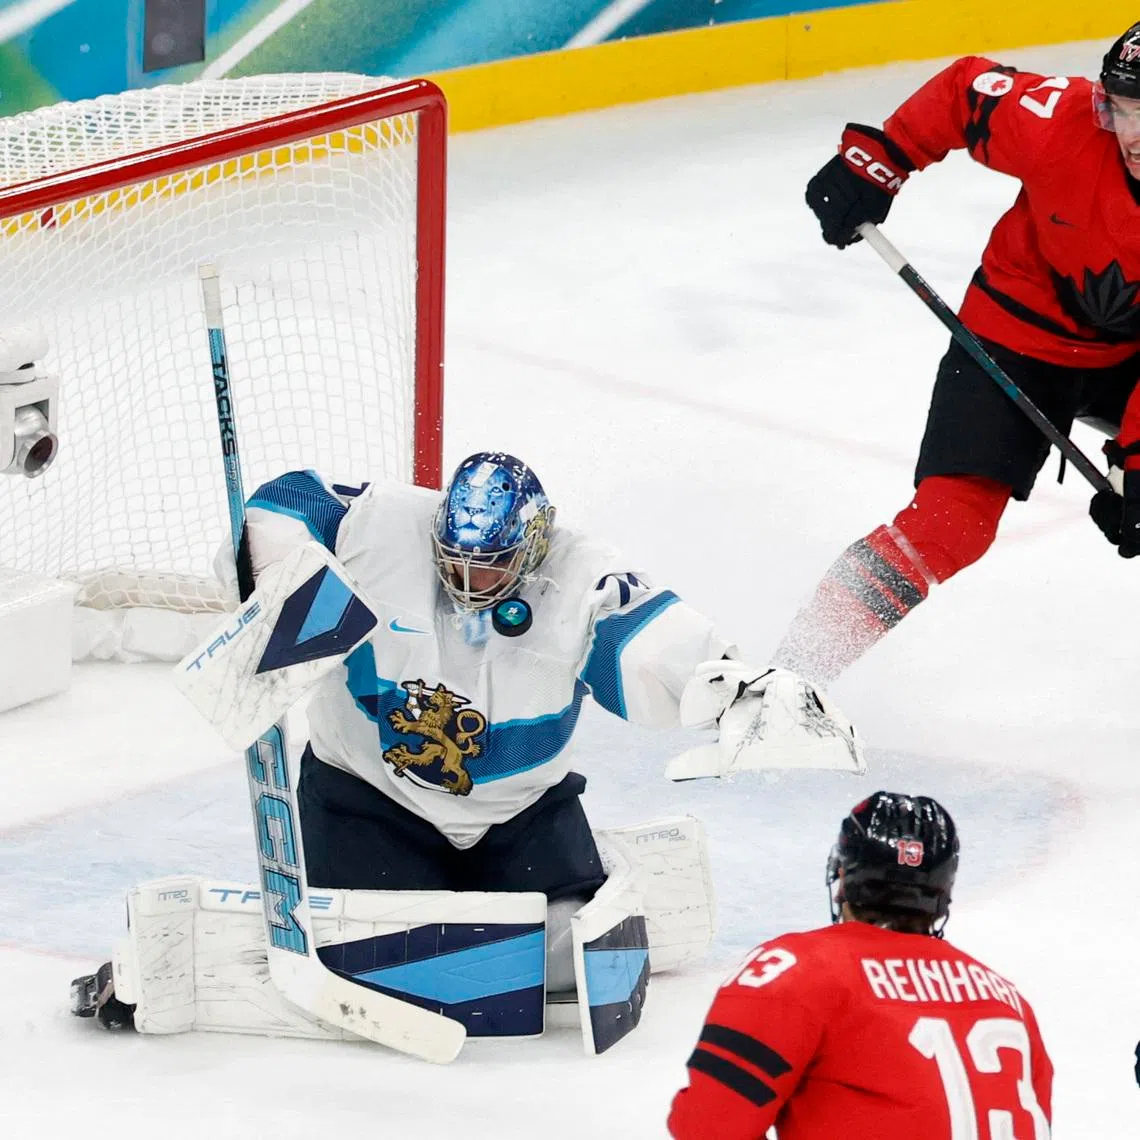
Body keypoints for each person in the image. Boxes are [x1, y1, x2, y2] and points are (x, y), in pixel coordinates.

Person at [224, 451, 861, 984]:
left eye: (490, 562)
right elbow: (287, 503)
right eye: (454, 556)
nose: (467, 577)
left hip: (520, 810)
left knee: (565, 955)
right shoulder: (382, 524)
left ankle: (574, 882)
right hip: (368, 797)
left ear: (534, 545)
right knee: (377, 953)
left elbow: (650, 638)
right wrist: (274, 574)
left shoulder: (581, 573)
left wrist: (734, 691)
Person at [775, 23, 1140, 686]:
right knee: (952, 522)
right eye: (1124, 110)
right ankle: (793, 673)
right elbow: (967, 90)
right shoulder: (1061, 122)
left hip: (1130, 363)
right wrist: (881, 156)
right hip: (1017, 331)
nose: (1133, 135)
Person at [668, 791, 1053, 1139]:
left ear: (842, 878)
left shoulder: (797, 970)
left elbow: (707, 1127)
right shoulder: (1006, 1001)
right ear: (943, 891)